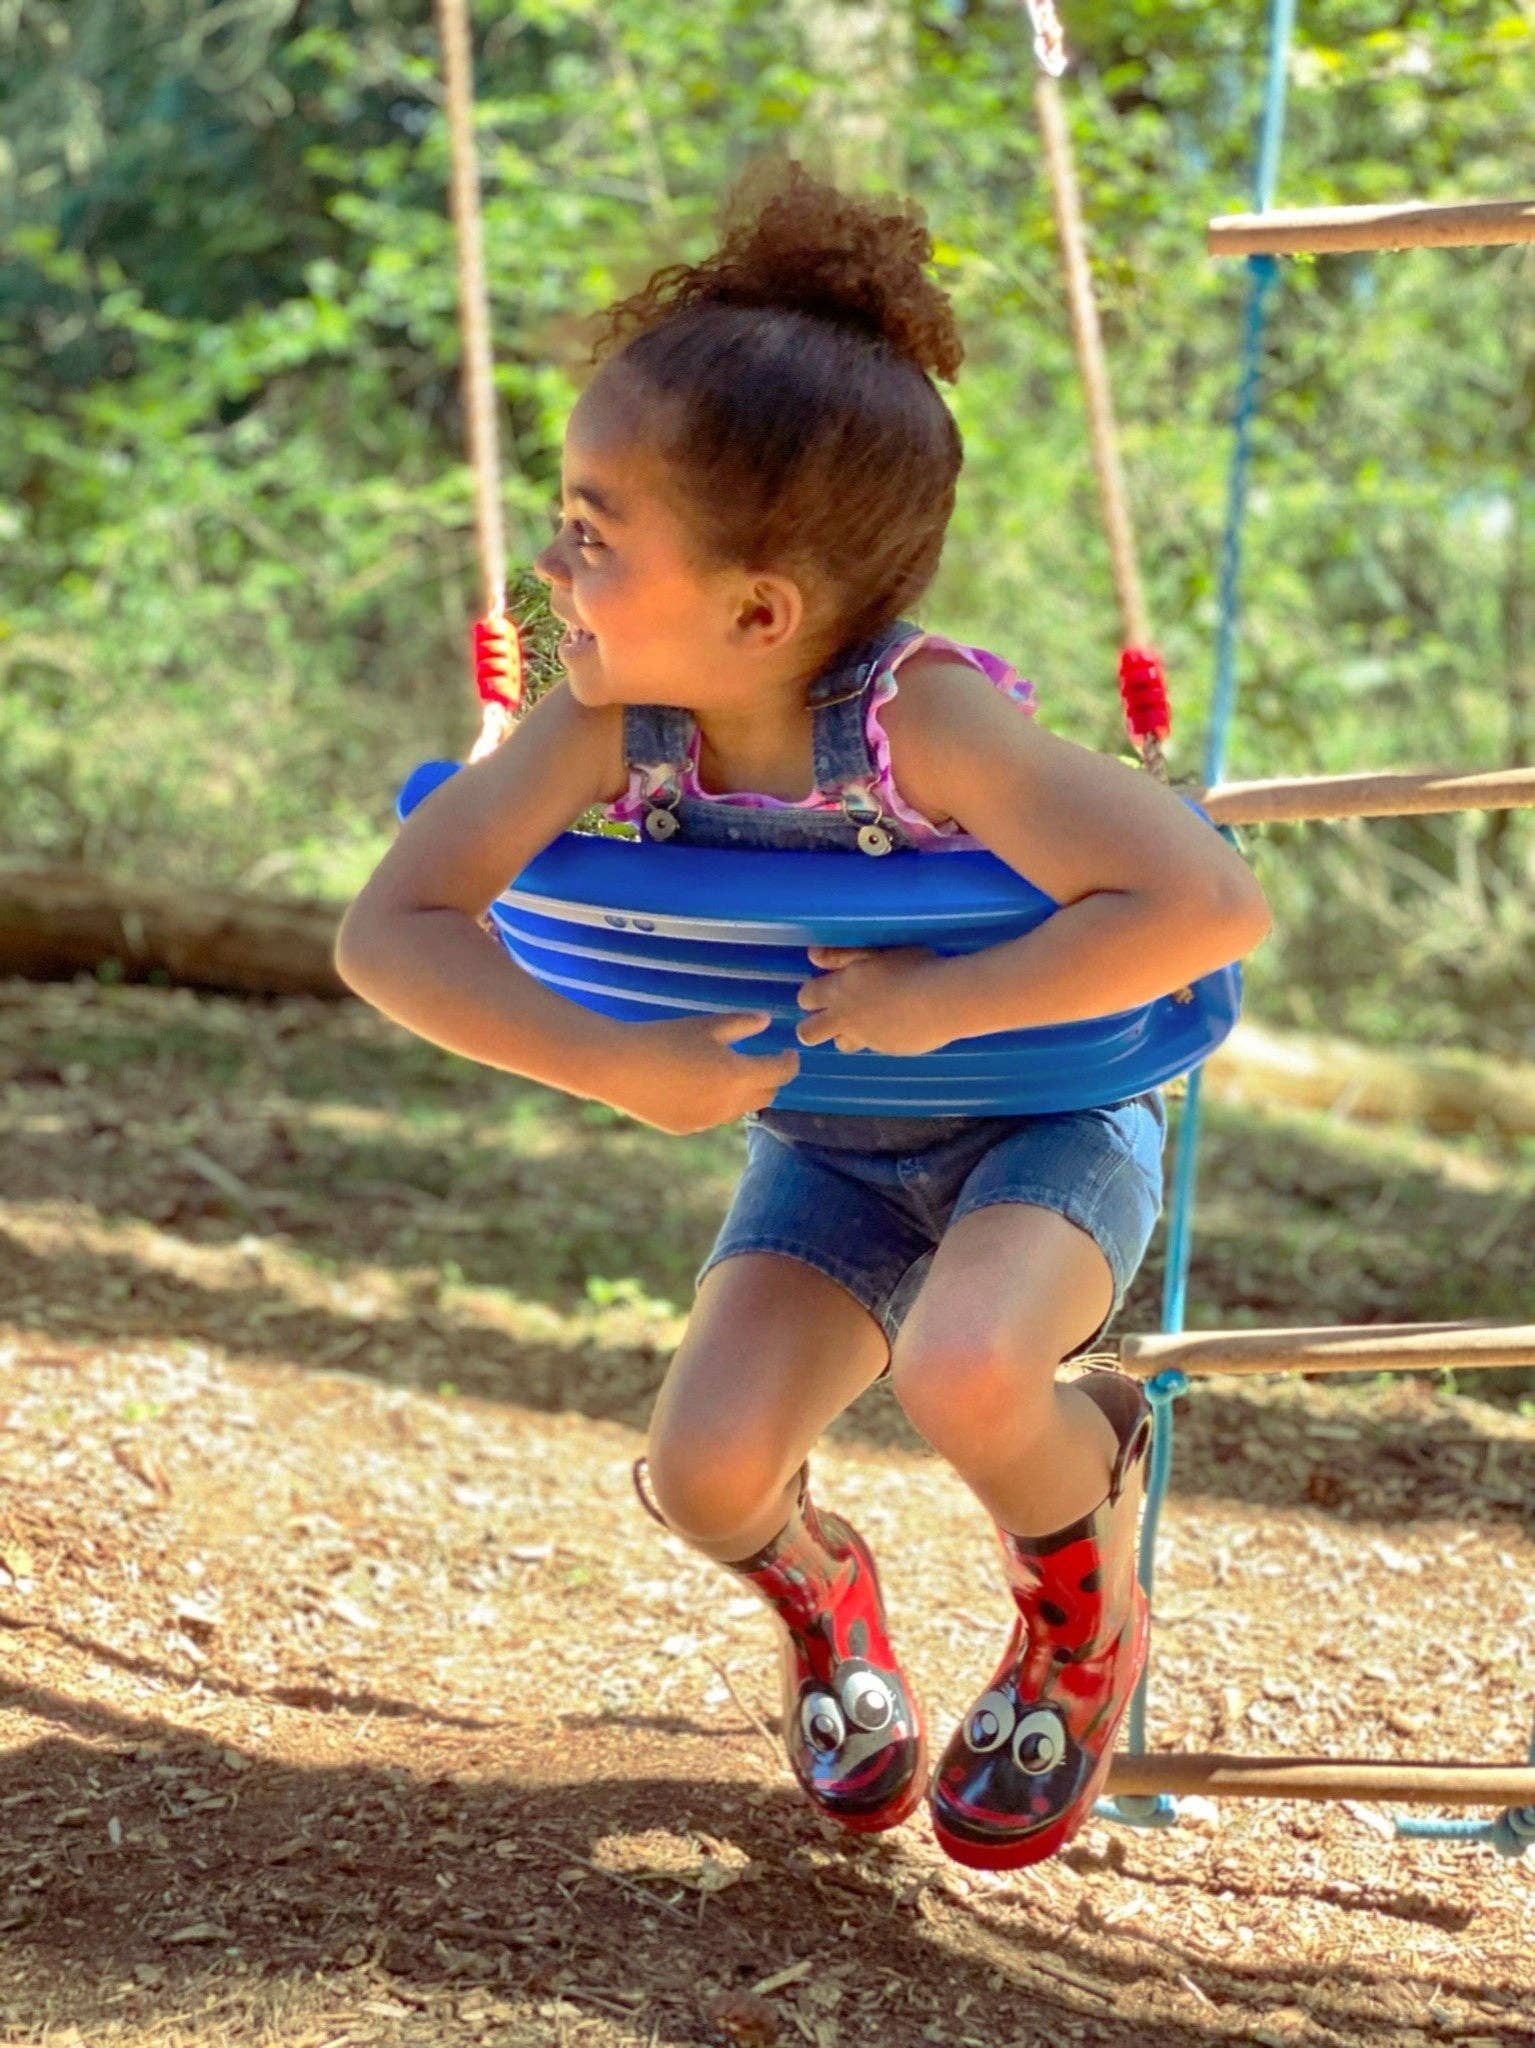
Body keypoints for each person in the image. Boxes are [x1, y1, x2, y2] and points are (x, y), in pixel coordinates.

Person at [335, 157, 1270, 1867]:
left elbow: (1209, 902)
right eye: (565, 514)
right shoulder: (608, 720)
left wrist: (951, 1002)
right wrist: (615, 1062)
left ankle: (1081, 1612)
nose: (555, 563)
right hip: (829, 1151)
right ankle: (830, 1606)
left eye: (596, 534)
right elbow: (392, 923)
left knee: (969, 1365)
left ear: (760, 611)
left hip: (1047, 1118)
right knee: (705, 1473)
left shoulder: (927, 727)